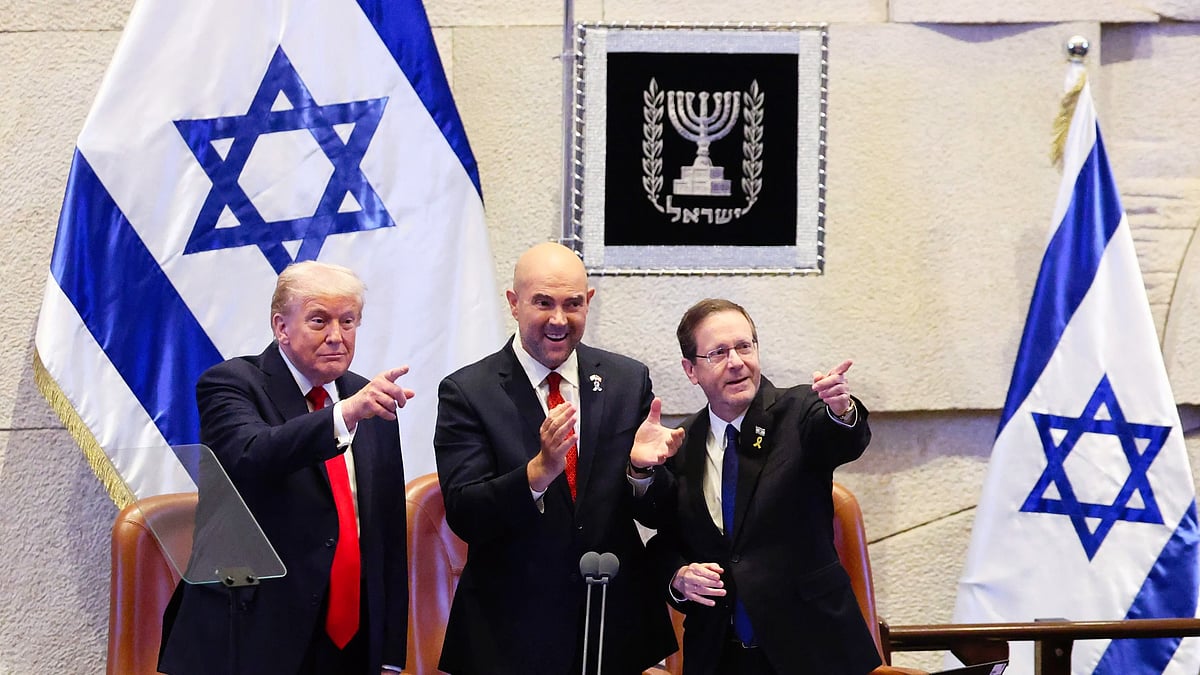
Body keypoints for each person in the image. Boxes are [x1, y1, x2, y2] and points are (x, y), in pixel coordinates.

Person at [433, 242, 684, 674]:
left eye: (572, 304)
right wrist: (536, 473)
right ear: (514, 304)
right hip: (510, 634)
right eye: (542, 303)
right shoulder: (466, 392)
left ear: (588, 303)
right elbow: (465, 513)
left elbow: (662, 511)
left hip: (613, 627)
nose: (558, 319)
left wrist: (642, 472)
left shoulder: (627, 380)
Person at [159, 261, 413, 675]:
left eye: (348, 321)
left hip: (350, 640)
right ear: (281, 326)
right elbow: (251, 454)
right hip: (251, 635)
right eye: (319, 320)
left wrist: (390, 653)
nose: (337, 336)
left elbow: (386, 530)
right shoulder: (232, 383)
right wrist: (343, 416)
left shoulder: (366, 396)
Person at [647, 298, 882, 675]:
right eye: (719, 352)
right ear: (691, 370)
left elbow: (839, 439)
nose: (737, 361)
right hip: (720, 657)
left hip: (813, 653)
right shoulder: (682, 443)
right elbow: (665, 543)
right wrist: (678, 576)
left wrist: (842, 411)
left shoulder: (801, 410)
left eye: (744, 346)